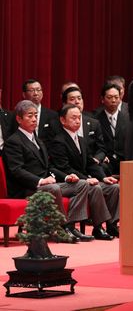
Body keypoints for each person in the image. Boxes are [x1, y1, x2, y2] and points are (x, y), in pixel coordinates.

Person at [3, 100, 93, 242]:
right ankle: (61, 228)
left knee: (82, 184)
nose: (34, 119)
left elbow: (49, 167)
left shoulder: (38, 140)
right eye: (29, 116)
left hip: (47, 185)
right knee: (52, 187)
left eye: (36, 115)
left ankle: (70, 226)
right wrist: (40, 181)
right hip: (27, 188)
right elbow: (16, 170)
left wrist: (66, 177)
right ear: (19, 119)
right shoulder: (13, 141)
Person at [50, 104, 120, 240]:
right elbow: (64, 168)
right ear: (63, 120)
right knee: (95, 188)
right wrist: (86, 179)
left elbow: (90, 163)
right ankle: (97, 226)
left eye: (79, 118)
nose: (77, 121)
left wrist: (103, 177)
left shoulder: (81, 139)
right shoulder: (58, 141)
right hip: (70, 181)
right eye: (73, 118)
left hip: (84, 179)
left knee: (114, 187)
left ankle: (111, 225)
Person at [95, 83, 129, 175]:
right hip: (106, 163)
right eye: (109, 97)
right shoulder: (96, 119)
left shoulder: (129, 118)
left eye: (116, 97)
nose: (113, 100)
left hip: (125, 162)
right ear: (102, 99)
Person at [22, 79, 58, 143]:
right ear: (24, 94)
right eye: (32, 90)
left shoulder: (53, 115)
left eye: (38, 90)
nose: (36, 93)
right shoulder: (19, 114)